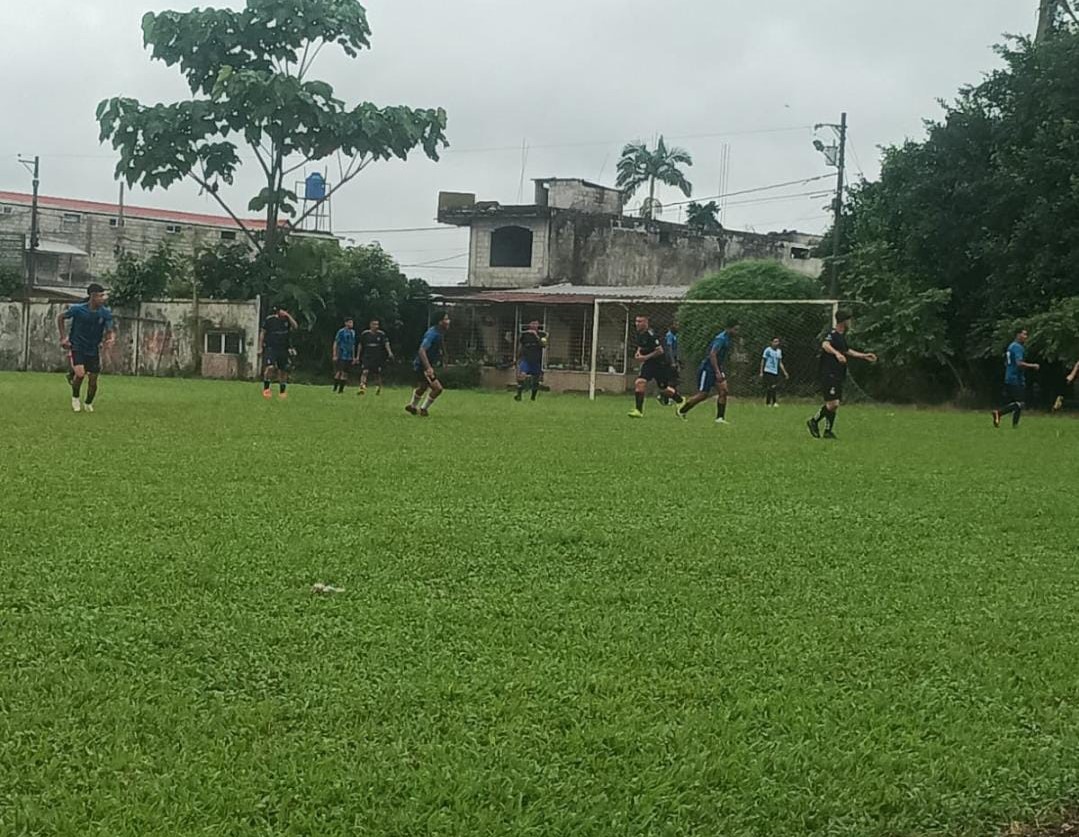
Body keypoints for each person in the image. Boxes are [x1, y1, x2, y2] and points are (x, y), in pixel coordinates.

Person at [807, 310, 877, 439]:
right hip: (829, 373)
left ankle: (828, 431)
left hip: (837, 374)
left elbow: (847, 351)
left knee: (834, 404)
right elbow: (825, 345)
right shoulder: (832, 334)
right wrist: (837, 354)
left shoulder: (841, 337)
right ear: (844, 321)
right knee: (833, 404)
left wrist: (864, 356)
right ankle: (814, 421)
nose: (850, 322)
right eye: (849, 320)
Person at [57, 282, 116, 413]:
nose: (103, 298)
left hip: (93, 348)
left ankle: (88, 403)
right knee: (80, 374)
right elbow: (61, 317)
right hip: (77, 346)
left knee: (93, 381)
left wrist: (111, 338)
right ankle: (75, 398)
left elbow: (110, 329)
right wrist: (63, 337)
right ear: (93, 296)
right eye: (101, 296)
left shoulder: (105, 312)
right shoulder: (78, 309)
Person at [676, 321, 741, 424]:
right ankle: (681, 411)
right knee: (703, 394)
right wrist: (717, 372)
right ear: (728, 328)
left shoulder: (728, 338)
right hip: (708, 369)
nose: (737, 332)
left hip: (717, 368)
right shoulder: (721, 339)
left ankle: (720, 418)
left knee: (723, 391)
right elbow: (712, 354)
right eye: (735, 329)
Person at [628, 315, 684, 418]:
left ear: (646, 322)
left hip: (660, 365)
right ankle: (638, 411)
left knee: (664, 389)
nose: (637, 324)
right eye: (636, 321)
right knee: (640, 382)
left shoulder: (651, 335)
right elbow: (641, 346)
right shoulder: (640, 334)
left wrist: (645, 357)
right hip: (649, 364)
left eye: (640, 321)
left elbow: (660, 351)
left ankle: (680, 400)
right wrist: (638, 353)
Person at [993, 328, 1039, 428]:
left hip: (1010, 376)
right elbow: (1019, 363)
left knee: (1017, 403)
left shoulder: (1011, 346)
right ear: (1018, 335)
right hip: (1015, 378)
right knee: (1020, 403)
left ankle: (1015, 425)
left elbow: (1007, 362)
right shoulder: (1018, 347)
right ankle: (999, 413)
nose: (1026, 337)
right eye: (1024, 334)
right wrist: (1033, 365)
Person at [407, 311, 450, 417]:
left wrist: (445, 356)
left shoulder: (439, 332)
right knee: (438, 388)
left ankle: (412, 406)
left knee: (423, 386)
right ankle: (423, 409)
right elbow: (422, 350)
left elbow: (441, 345)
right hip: (422, 365)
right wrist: (428, 368)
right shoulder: (432, 333)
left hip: (424, 364)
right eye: (446, 319)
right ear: (440, 322)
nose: (448, 321)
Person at [260, 306, 298, 399]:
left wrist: (288, 316)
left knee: (283, 370)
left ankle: (282, 392)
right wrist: (260, 347)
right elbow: (263, 333)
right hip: (271, 347)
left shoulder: (287, 320)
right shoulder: (270, 320)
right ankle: (266, 389)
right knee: (270, 367)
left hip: (283, 348)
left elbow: (295, 326)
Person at [357, 319, 394, 396]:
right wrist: (358, 356)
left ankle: (378, 387)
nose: (376, 326)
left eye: (377, 324)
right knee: (365, 371)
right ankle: (362, 387)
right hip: (367, 356)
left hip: (377, 357)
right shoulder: (365, 334)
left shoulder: (381, 334)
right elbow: (360, 345)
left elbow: (386, 343)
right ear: (370, 325)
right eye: (374, 324)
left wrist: (389, 352)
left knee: (377, 374)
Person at [515, 319, 547, 402]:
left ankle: (533, 397)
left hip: (536, 359)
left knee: (535, 379)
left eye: (536, 324)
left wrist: (536, 335)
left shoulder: (542, 334)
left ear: (538, 324)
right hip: (526, 358)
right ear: (529, 324)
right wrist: (518, 357)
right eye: (532, 323)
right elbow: (521, 345)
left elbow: (544, 345)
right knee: (522, 375)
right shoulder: (525, 334)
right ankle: (519, 395)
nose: (534, 325)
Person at [760, 337, 789, 407]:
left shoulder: (779, 351)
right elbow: (763, 360)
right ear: (771, 342)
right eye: (775, 341)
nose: (777, 343)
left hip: (775, 371)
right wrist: (761, 371)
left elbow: (780, 362)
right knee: (771, 386)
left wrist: (785, 372)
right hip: (768, 370)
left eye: (777, 342)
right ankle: (771, 402)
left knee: (773, 387)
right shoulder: (768, 350)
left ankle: (771, 402)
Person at [331, 317, 357, 394]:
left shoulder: (353, 332)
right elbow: (336, 343)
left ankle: (341, 389)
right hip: (341, 354)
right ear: (346, 323)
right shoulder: (341, 331)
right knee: (339, 371)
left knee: (345, 373)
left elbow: (353, 345)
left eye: (352, 323)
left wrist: (353, 357)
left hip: (349, 355)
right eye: (350, 322)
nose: (351, 324)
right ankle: (335, 388)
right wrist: (335, 354)